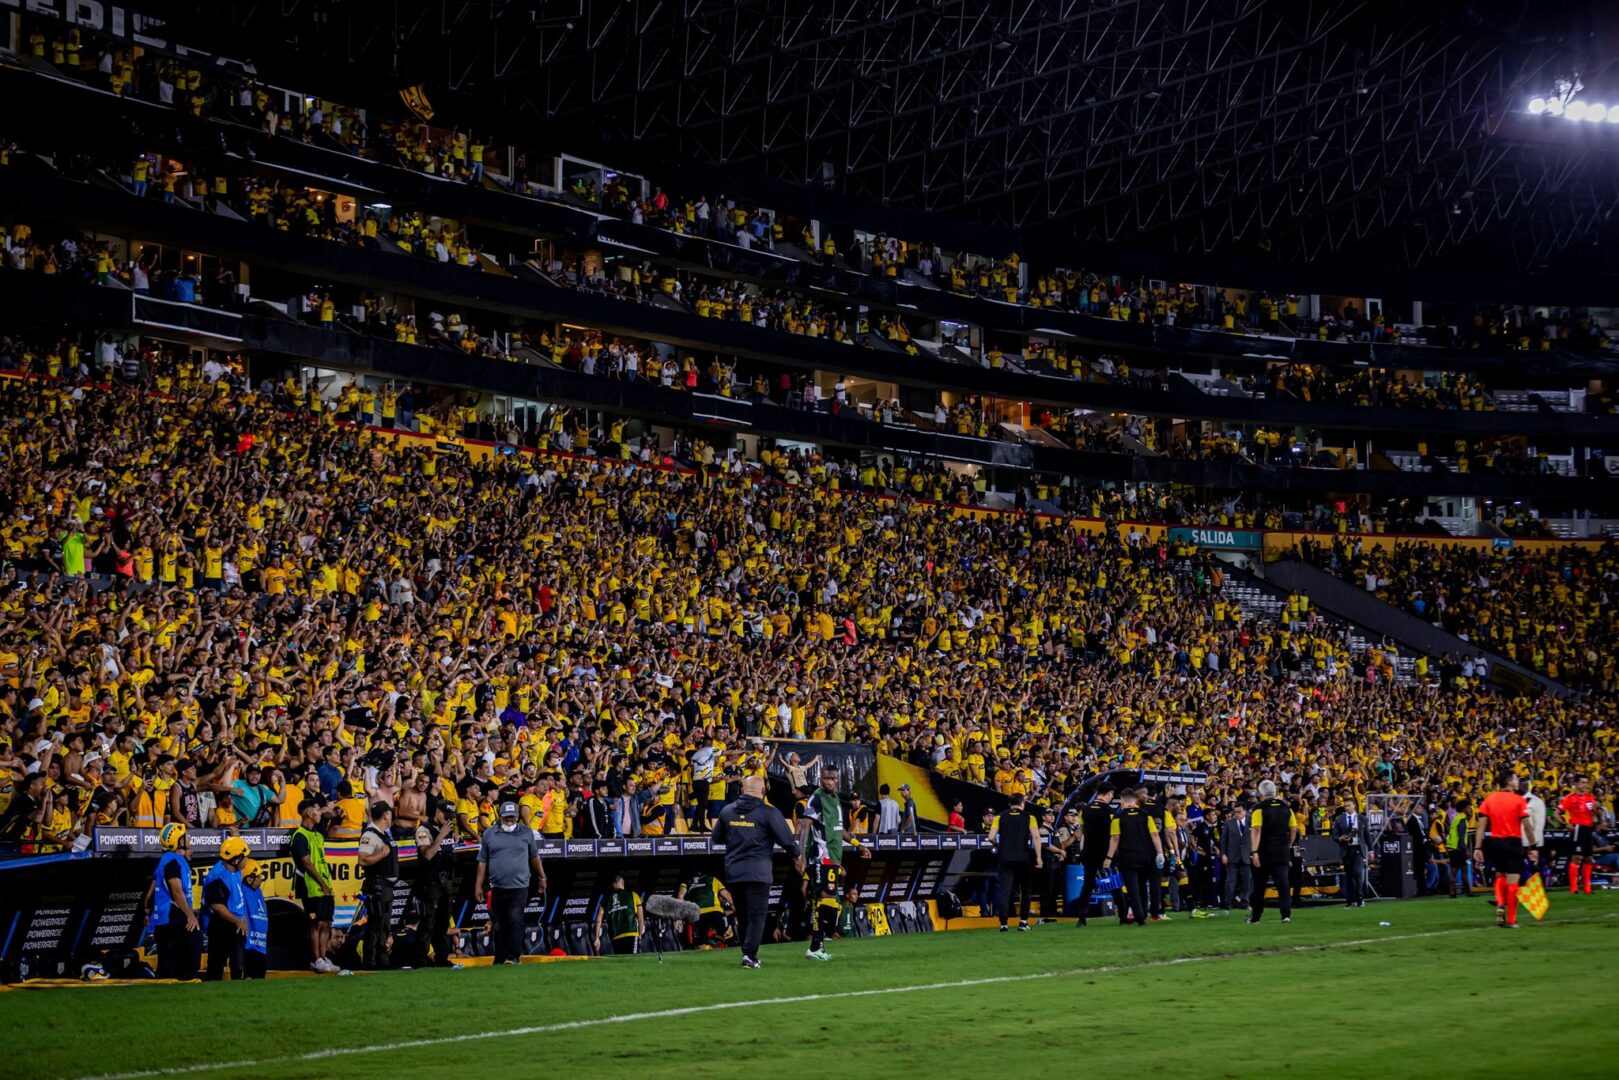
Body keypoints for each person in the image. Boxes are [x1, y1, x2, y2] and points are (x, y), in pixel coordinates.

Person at [713, 774, 800, 969]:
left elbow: (716, 838)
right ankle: (749, 955)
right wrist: (797, 854)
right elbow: (787, 841)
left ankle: (747, 953)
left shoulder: (727, 811)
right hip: (758, 873)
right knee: (757, 915)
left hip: (734, 872)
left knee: (743, 916)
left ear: (742, 790)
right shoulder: (769, 812)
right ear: (763, 791)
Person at [796, 763, 869, 961]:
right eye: (827, 778)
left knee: (828, 901)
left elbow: (839, 829)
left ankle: (817, 947)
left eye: (834, 779)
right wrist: (801, 856)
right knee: (826, 900)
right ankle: (815, 947)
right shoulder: (817, 798)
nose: (831, 782)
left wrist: (857, 844)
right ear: (821, 778)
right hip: (822, 854)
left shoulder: (835, 798)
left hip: (834, 857)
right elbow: (805, 826)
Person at [474, 799, 545, 964]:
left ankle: (513, 956)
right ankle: (500, 957)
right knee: (498, 924)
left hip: (519, 886)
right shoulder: (489, 834)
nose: (510, 821)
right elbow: (482, 861)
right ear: (500, 817)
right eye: (506, 818)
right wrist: (478, 885)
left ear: (517, 817)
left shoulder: (526, 833)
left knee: (514, 919)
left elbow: (534, 857)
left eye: (512, 818)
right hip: (497, 886)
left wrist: (542, 876)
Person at [1474, 771, 1535, 929]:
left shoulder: (1489, 799)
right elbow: (1527, 826)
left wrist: (1477, 847)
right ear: (1510, 783)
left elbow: (1480, 826)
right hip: (1513, 842)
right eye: (1516, 779)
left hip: (1495, 842)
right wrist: (1533, 845)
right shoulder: (1519, 800)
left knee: (1500, 875)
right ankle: (1511, 919)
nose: (1518, 782)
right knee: (1513, 881)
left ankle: (1500, 903)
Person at [290, 798, 341, 973]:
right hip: (310, 886)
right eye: (318, 811)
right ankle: (316, 959)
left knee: (326, 922)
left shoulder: (318, 834)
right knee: (316, 924)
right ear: (309, 812)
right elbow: (307, 863)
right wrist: (321, 883)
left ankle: (324, 957)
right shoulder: (299, 836)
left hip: (325, 885)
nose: (320, 814)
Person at [1102, 788, 1163, 926]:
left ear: (1122, 801)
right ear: (1135, 801)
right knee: (1142, 886)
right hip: (1145, 857)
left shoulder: (1118, 817)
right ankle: (1144, 912)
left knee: (1132, 889)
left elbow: (1115, 838)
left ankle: (1139, 917)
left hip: (1127, 857)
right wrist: (1159, 853)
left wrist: (1108, 858)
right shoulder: (1145, 815)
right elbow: (1154, 835)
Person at [147, 822, 201, 979]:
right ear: (179, 841)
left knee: (169, 963)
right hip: (172, 917)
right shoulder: (173, 860)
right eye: (185, 835)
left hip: (168, 918)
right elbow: (176, 890)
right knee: (180, 960)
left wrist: (147, 909)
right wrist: (190, 915)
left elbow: (152, 888)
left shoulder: (167, 859)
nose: (188, 837)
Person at [987, 792, 1042, 932]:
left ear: (1009, 804)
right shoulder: (1029, 817)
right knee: (1025, 890)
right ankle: (1023, 922)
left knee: (1004, 890)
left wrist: (999, 846)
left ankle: (1003, 923)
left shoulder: (1000, 816)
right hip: (1023, 858)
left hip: (1005, 857)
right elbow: (1036, 837)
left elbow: (991, 837)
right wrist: (1039, 857)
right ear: (1022, 803)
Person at [1248, 780, 1299, 924]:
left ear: (1260, 793)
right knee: (1283, 885)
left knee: (1259, 886)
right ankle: (1286, 914)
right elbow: (1293, 829)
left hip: (1264, 851)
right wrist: (1287, 844)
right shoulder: (1286, 807)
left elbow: (1256, 829)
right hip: (1281, 851)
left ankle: (1256, 916)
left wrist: (1255, 851)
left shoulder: (1259, 808)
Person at [201, 835, 251, 981]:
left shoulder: (236, 871)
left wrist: (241, 919)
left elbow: (236, 899)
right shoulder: (217, 876)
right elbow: (217, 905)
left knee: (238, 964)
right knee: (216, 966)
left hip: (235, 922)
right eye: (245, 856)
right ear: (235, 859)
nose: (247, 859)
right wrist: (237, 921)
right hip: (220, 924)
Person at [357, 800, 399, 970]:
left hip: (386, 886)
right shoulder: (370, 835)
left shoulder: (383, 833)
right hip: (377, 884)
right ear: (385, 815)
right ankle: (370, 961)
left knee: (384, 924)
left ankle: (382, 960)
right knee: (376, 924)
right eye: (389, 813)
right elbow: (362, 860)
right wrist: (382, 854)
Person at [1073, 784, 1116, 927]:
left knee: (1087, 884)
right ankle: (1123, 915)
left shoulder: (1084, 810)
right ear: (1109, 794)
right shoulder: (1110, 811)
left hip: (1089, 851)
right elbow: (1113, 834)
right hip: (1105, 852)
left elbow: (1083, 830)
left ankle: (1081, 917)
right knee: (1113, 882)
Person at [1559, 776, 1599, 894]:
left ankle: (1587, 888)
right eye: (1582, 782)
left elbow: (1593, 814)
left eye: (1586, 782)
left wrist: (1595, 812)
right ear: (1576, 784)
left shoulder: (1589, 798)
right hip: (1577, 828)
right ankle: (1574, 888)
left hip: (1588, 829)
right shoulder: (1569, 798)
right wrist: (1565, 824)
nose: (1585, 785)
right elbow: (1557, 813)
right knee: (1577, 857)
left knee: (1588, 858)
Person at [594, 873, 645, 955]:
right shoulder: (633, 895)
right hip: (631, 934)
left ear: (612, 884)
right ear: (623, 882)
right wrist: (640, 936)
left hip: (615, 936)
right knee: (634, 962)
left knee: (621, 964)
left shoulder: (605, 899)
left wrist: (597, 938)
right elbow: (641, 919)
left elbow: (598, 920)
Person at [1333, 797, 1369, 907]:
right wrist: (1340, 838)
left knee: (1358, 873)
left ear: (1354, 806)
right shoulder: (1339, 819)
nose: (1347, 808)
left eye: (1349, 805)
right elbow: (1334, 836)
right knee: (1349, 876)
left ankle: (1359, 897)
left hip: (1358, 848)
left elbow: (1367, 835)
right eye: (1345, 806)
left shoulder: (1362, 819)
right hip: (1346, 849)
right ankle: (1350, 900)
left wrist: (1371, 850)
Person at [241, 859, 269, 978]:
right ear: (249, 879)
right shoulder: (241, 890)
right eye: (259, 877)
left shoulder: (258, 892)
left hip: (260, 944)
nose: (261, 879)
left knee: (260, 977)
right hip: (248, 944)